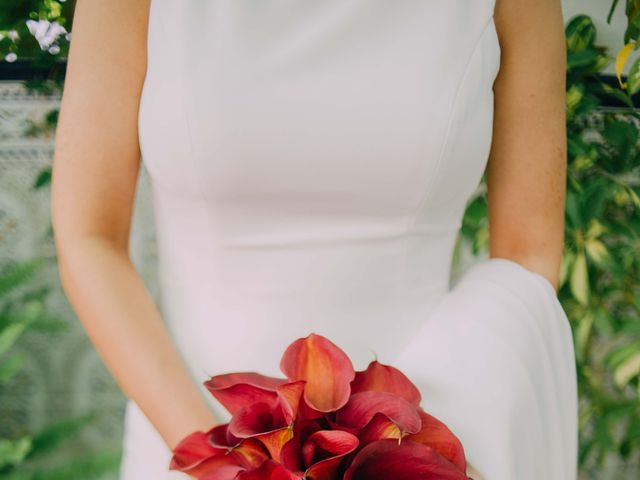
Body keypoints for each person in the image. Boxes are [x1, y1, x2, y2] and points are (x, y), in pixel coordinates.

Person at [50, 0, 577, 478]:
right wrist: (225, 466)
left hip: (426, 441)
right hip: (188, 428)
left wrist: (423, 453)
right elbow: (89, 233)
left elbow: (527, 247)